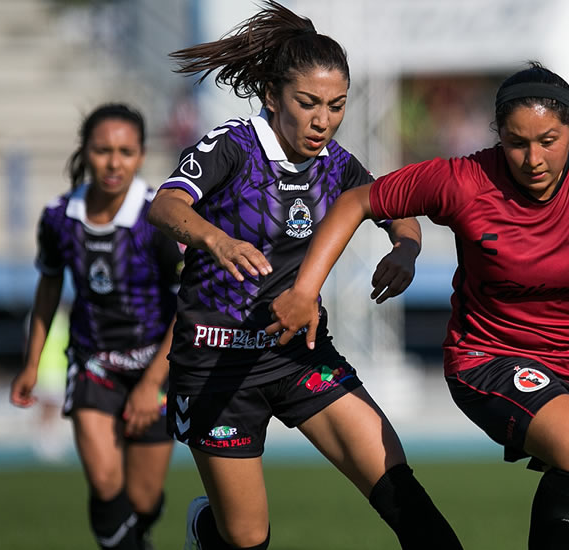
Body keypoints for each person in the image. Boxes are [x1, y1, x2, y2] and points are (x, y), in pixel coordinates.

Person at [267, 62, 569, 550]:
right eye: (516, 142)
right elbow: (356, 201)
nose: (533, 159)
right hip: (489, 359)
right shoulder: (464, 180)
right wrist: (307, 289)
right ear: (498, 136)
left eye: (548, 141)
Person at [147, 3, 462, 549]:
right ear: (273, 96)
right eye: (308, 103)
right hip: (217, 364)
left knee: (403, 495)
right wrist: (217, 240)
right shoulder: (232, 145)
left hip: (299, 355)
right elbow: (166, 205)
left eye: (336, 106)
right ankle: (206, 530)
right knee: (246, 539)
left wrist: (406, 250)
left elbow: (398, 210)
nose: (323, 120)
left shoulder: (336, 162)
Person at [10, 103, 181, 550]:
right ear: (85, 152)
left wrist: (152, 383)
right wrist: (31, 363)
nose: (113, 162)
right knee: (106, 483)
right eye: (103, 150)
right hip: (93, 363)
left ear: (141, 155)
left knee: (142, 500)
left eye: (126, 152)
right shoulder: (58, 217)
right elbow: (49, 284)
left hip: (156, 368)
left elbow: (189, 306)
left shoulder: (159, 217)